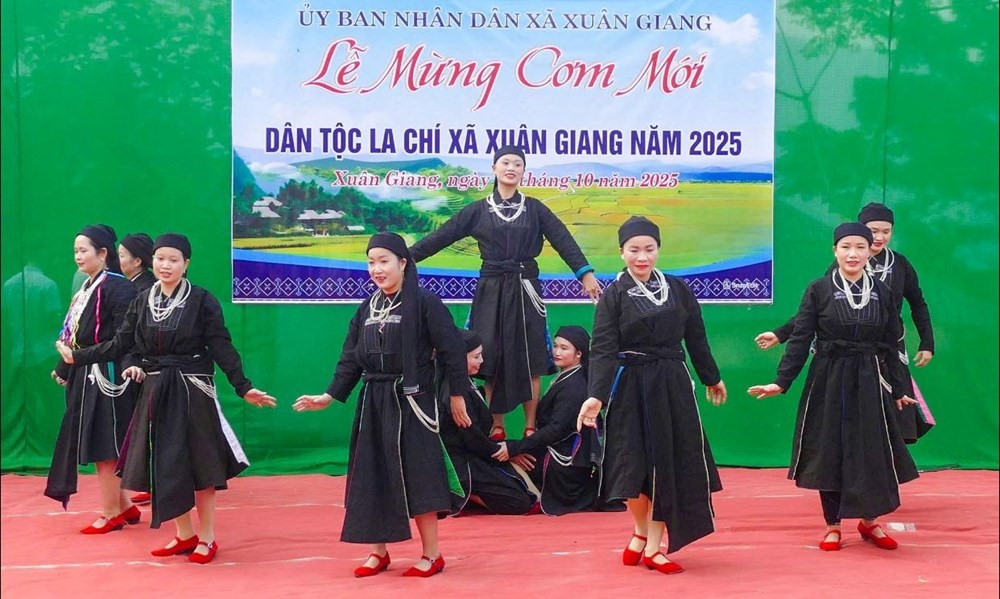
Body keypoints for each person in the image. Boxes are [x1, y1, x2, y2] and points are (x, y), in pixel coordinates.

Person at [57, 233, 276, 564]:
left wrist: (243, 387)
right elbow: (123, 344)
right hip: (156, 391)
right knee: (166, 464)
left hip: (192, 389)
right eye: (160, 258)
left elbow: (222, 346)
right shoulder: (142, 300)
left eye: (174, 259)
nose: (166, 265)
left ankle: (207, 538)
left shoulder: (202, 300)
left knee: (201, 465)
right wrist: (79, 357)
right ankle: (184, 535)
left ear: (186, 264)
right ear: (152, 261)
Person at [293, 232, 467, 578]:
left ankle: (432, 555)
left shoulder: (425, 303)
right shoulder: (366, 308)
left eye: (384, 261)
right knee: (372, 475)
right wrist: (329, 396)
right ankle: (378, 552)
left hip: (412, 401)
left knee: (419, 475)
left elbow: (452, 351)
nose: (377, 269)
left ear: (403, 263)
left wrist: (457, 394)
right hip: (374, 401)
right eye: (371, 262)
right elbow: (351, 359)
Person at [747, 222, 919, 552]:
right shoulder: (819, 289)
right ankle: (833, 525)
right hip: (828, 378)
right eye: (846, 247)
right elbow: (801, 338)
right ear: (835, 251)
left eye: (860, 247)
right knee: (829, 451)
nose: (853, 254)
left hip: (869, 380)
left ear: (869, 251)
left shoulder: (883, 293)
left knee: (870, 450)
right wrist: (781, 381)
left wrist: (899, 389)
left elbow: (890, 344)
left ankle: (869, 521)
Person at [410, 145, 601, 441]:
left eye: (517, 164)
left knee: (531, 357)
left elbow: (563, 239)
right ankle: (496, 424)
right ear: (494, 168)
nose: (511, 168)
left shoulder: (535, 209)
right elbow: (440, 237)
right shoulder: (477, 210)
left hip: (526, 288)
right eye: (505, 162)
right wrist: (403, 258)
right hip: (491, 289)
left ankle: (530, 425)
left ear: (524, 171)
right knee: (489, 356)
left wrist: (584, 273)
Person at [577, 216, 727, 575]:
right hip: (630, 386)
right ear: (621, 252)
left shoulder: (677, 289)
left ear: (658, 249)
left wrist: (711, 377)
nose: (641, 257)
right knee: (631, 466)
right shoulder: (613, 295)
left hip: (672, 385)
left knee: (666, 464)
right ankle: (641, 530)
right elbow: (603, 349)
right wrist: (596, 396)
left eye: (649, 249)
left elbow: (696, 338)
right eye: (634, 250)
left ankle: (655, 546)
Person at [754, 203, 935, 442]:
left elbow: (918, 303)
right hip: (843, 356)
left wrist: (927, 342)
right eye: (873, 231)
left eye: (886, 231)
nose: (879, 237)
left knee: (895, 408)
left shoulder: (900, 265)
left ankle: (888, 456)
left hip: (886, 348)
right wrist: (781, 333)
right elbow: (819, 310)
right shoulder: (838, 271)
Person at [45, 224, 140, 534]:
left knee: (106, 446)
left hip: (108, 378)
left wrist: (79, 359)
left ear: (102, 253)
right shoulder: (87, 288)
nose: (78, 256)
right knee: (100, 444)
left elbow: (124, 339)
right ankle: (124, 505)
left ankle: (112, 512)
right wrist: (65, 366)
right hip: (86, 374)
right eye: (75, 251)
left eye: (83, 250)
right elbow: (77, 335)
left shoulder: (118, 287)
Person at [506, 325, 606, 515]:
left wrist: (515, 449)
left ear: (579, 353)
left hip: (563, 467)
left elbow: (555, 430)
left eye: (564, 348)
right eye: (555, 346)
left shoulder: (574, 386)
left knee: (506, 457)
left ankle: (534, 497)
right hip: (557, 454)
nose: (557, 352)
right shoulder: (568, 377)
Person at [439, 329, 537, 516]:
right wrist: (502, 452)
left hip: (478, 453)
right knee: (520, 502)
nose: (481, 361)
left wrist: (507, 449)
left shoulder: (466, 383)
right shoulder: (456, 395)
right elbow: (472, 438)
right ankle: (463, 495)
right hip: (464, 462)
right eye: (476, 357)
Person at [117, 232, 157, 506]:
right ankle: (153, 481)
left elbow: (139, 336)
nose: (118, 260)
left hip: (149, 369)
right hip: (136, 366)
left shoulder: (143, 289)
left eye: (122, 256)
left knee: (154, 427)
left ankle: (161, 483)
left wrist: (136, 363)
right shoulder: (132, 286)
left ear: (138, 261)